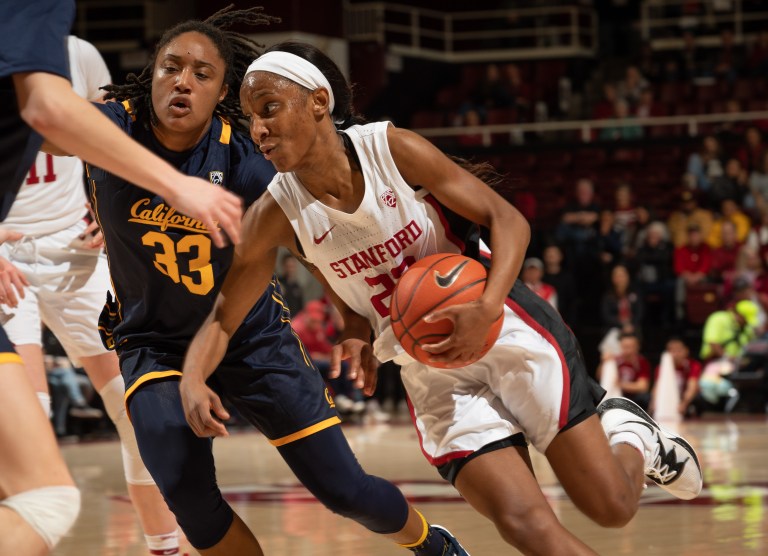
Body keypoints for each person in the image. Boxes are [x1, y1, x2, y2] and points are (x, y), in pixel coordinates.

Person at [182, 41, 703, 555]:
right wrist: (194, 377)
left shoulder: (390, 149)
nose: (259, 130)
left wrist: (488, 305)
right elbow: (227, 316)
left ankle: (632, 432)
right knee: (525, 524)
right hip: (428, 368)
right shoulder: (273, 214)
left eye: (269, 109)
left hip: (502, 327)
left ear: (319, 102)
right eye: (251, 118)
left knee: (611, 507)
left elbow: (509, 221)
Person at [81, 11, 465, 556]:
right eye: (171, 67)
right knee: (189, 500)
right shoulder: (112, 127)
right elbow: (44, 130)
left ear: (221, 95)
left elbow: (313, 247)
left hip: (251, 337)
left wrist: (351, 319)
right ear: (153, 73)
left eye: (202, 73)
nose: (183, 81)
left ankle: (430, 543)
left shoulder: (241, 155)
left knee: (345, 490)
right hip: (154, 344)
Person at [0, 0, 240, 552]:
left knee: (135, 409)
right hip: (9, 256)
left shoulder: (79, 54)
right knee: (29, 435)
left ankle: (164, 548)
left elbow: (103, 130)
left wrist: (112, 208)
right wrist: (176, 186)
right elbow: (48, 111)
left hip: (74, 250)